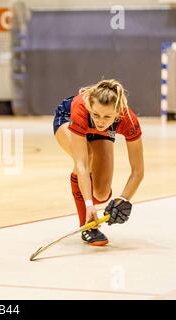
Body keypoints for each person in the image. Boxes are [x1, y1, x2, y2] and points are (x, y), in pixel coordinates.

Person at [53, 79, 144, 245]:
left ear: (118, 114)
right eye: (96, 114)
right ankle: (87, 226)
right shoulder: (81, 109)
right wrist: (88, 204)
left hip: (102, 129)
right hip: (69, 118)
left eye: (107, 116)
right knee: (86, 156)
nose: (100, 121)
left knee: (101, 193)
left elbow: (138, 171)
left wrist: (124, 200)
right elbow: (82, 164)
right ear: (90, 108)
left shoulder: (128, 120)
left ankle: (91, 209)